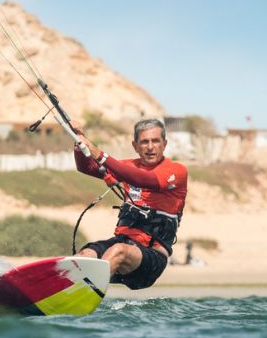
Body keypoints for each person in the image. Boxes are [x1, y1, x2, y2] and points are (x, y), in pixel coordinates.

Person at [72, 118, 188, 290]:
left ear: (164, 144)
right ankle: (61, 295)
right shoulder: (128, 167)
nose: (150, 147)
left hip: (152, 257)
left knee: (118, 251)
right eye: (144, 142)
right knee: (85, 255)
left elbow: (142, 179)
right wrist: (78, 140)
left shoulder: (176, 171)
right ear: (135, 146)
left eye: (156, 141)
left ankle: (83, 295)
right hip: (122, 244)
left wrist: (100, 155)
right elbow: (86, 167)